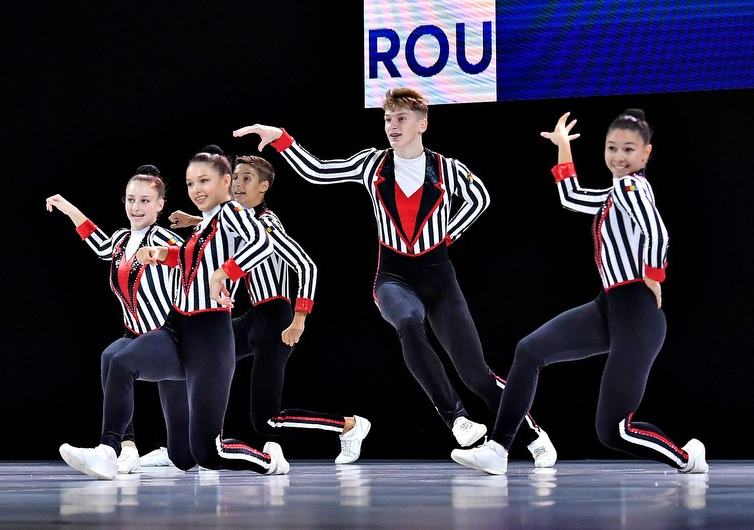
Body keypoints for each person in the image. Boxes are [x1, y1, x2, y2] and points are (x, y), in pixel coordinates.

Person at [233, 88, 555, 466]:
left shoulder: (446, 168)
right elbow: (319, 171)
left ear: (422, 124)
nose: (392, 126)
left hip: (439, 278)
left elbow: (479, 197)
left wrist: (449, 234)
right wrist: (281, 139)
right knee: (408, 325)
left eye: (401, 118)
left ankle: (533, 434)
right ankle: (457, 418)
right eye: (388, 119)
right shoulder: (373, 164)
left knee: (477, 375)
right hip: (393, 277)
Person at [451, 109, 708, 475]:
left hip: (637, 313)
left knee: (614, 431)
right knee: (530, 350)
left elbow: (658, 231)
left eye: (629, 149)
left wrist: (654, 274)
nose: (619, 157)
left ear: (646, 153)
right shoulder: (614, 195)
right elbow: (571, 197)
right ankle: (498, 448)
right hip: (609, 308)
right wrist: (563, 147)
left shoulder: (631, 187)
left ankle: (687, 458)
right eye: (612, 148)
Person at [59, 148, 288, 479]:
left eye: (204, 181)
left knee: (205, 453)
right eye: (191, 183)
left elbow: (263, 244)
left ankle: (270, 461)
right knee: (120, 362)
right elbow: (188, 259)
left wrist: (226, 272)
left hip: (210, 338)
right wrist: (162, 254)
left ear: (225, 182)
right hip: (178, 325)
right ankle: (108, 451)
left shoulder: (232, 212)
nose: (196, 189)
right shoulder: (205, 223)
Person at [167, 154, 371, 464]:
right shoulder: (237, 219)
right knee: (192, 358)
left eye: (246, 178)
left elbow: (307, 266)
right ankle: (183, 446)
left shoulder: (268, 224)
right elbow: (226, 226)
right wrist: (195, 221)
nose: (237, 184)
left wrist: (299, 319)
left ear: (264, 186)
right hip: (252, 319)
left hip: (276, 319)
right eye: (235, 177)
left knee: (267, 420)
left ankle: (350, 426)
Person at [46, 165, 187, 475]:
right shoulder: (122, 239)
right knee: (111, 357)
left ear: (160, 205)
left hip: (171, 338)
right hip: (136, 335)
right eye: (130, 199)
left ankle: (125, 451)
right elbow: (99, 244)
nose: (136, 207)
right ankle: (124, 448)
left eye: (145, 201)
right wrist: (68, 208)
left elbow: (196, 261)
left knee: (190, 453)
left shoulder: (165, 239)